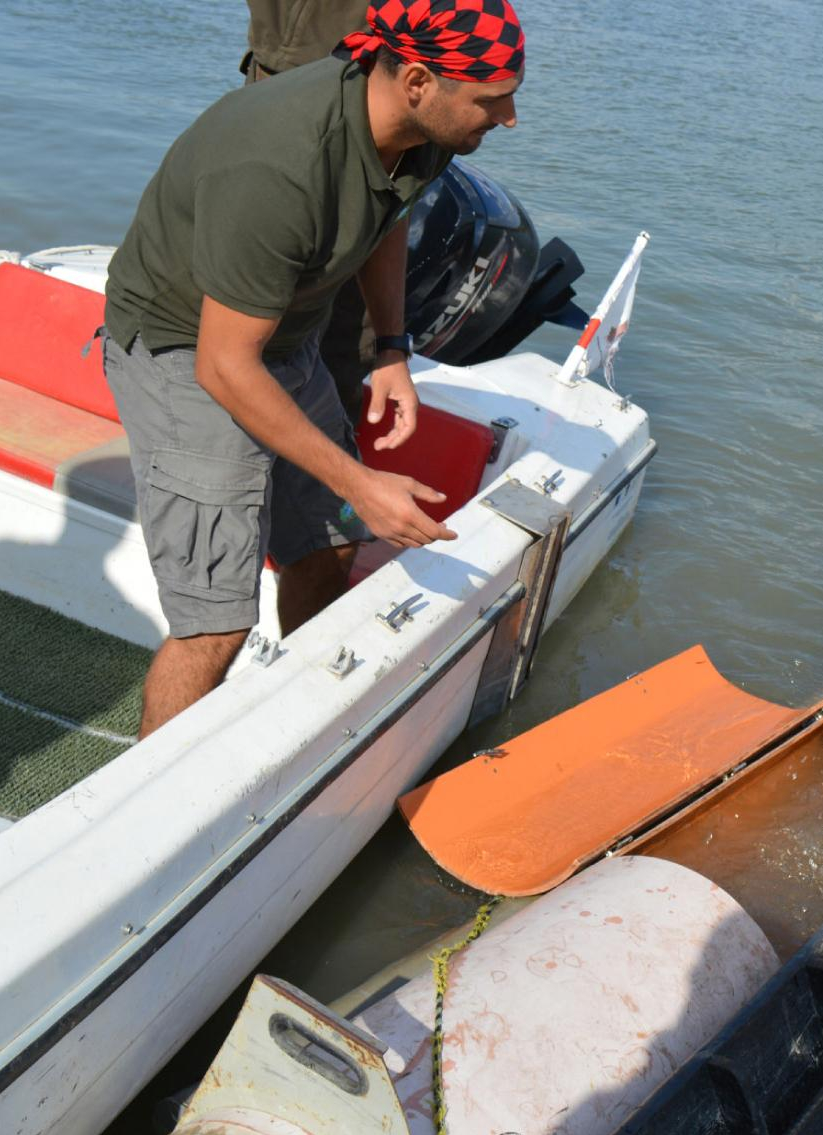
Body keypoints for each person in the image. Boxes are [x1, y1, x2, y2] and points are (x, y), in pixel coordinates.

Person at [103, 0, 526, 738]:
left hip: (282, 336)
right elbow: (223, 366)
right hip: (184, 346)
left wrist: (392, 347)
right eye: (493, 99)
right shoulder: (280, 163)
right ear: (420, 81)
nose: (510, 116)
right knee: (215, 625)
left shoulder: (424, 133)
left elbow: (388, 217)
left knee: (329, 547)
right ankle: (147, 804)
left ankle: (300, 727)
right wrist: (357, 480)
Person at [241, 0, 381, 420]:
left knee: (342, 329)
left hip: (390, 74)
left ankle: (327, 452)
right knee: (259, 305)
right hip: (307, 74)